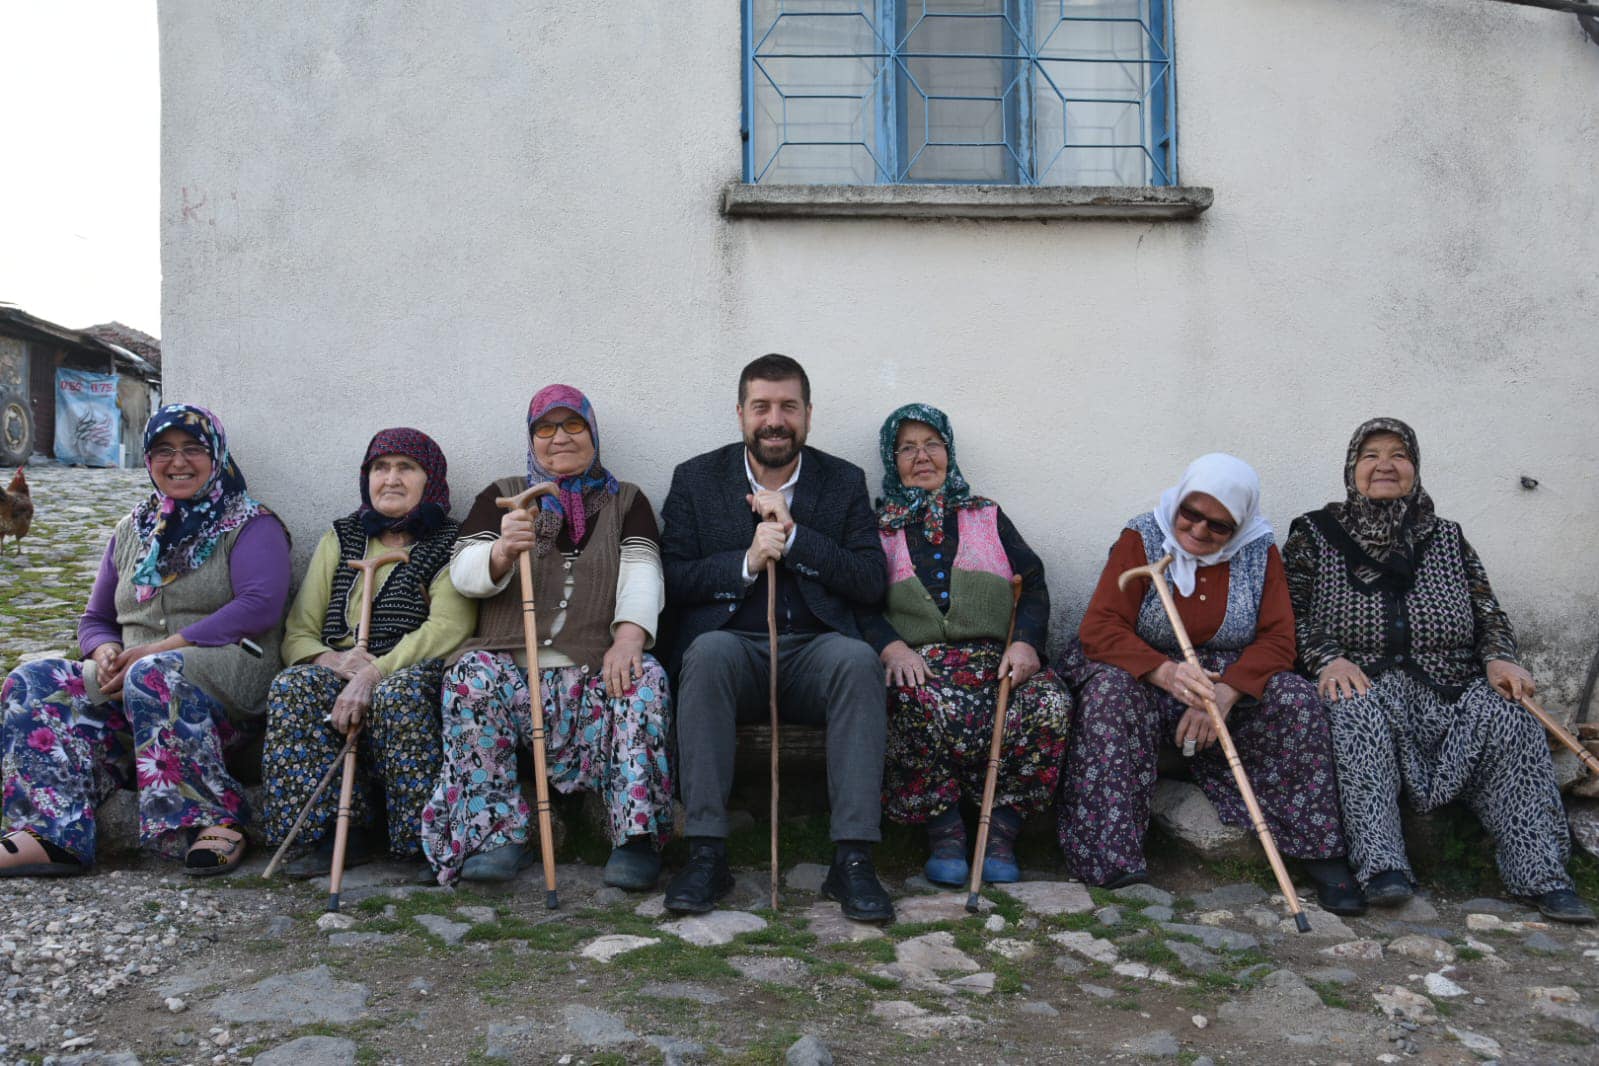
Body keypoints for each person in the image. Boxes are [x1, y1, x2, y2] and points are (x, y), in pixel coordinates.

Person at [1284, 417, 1593, 924]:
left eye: (1399, 454)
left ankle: (1543, 876)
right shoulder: (1314, 533)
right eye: (1370, 455)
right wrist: (1326, 658)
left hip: (1449, 686)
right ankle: (1381, 867)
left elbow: (1488, 611)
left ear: (1415, 467)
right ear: (1351, 467)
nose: (1385, 465)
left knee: (1512, 716)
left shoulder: (1447, 537)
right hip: (1364, 683)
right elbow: (1290, 613)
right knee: (1352, 712)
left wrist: (1499, 655)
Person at [1058, 453, 1359, 914]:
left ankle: (1319, 852)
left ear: (1237, 527)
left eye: (1218, 527)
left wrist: (1222, 693)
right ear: (1178, 501)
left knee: (1296, 700)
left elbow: (1279, 638)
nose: (1198, 531)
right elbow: (1100, 628)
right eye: (1191, 514)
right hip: (1144, 669)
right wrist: (1168, 673)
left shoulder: (1260, 549)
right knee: (1108, 696)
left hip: (1223, 678)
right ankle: (1110, 855)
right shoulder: (1142, 537)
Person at [0, 404, 290, 877]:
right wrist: (104, 650)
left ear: (215, 455)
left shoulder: (251, 524)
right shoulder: (132, 529)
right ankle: (51, 832)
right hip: (135, 675)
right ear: (148, 459)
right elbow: (96, 618)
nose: (178, 462)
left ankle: (214, 819)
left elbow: (260, 604)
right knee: (32, 679)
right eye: (163, 451)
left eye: (193, 449)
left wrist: (158, 649)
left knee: (151, 674)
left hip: (226, 676)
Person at [661, 353, 893, 922]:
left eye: (788, 406)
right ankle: (707, 852)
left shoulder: (842, 481)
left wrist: (796, 537)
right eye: (761, 406)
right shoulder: (696, 478)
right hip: (734, 648)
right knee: (707, 654)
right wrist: (744, 560)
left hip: (815, 651)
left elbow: (870, 579)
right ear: (741, 413)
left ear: (808, 414)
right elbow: (671, 576)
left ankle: (854, 860)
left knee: (859, 662)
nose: (774, 419)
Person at [420, 385, 672, 889]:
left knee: (645, 679)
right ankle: (497, 836)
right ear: (532, 439)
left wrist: (628, 639)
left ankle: (635, 839)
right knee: (469, 677)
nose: (560, 438)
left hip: (592, 669)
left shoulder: (628, 500)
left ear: (592, 433)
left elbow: (643, 572)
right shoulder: (503, 494)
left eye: (573, 425)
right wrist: (498, 554)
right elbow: (463, 574)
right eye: (546, 428)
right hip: (513, 670)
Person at [861, 403, 1072, 886]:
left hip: (996, 663)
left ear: (949, 452)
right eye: (907, 448)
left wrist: (1025, 645)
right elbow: (859, 605)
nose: (922, 456)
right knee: (903, 696)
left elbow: (1033, 584)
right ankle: (946, 833)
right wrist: (891, 647)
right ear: (891, 460)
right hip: (923, 664)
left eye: (932, 444)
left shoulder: (986, 514)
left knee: (1051, 702)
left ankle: (1000, 832)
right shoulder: (878, 530)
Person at [261, 428, 474, 876]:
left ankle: (420, 838)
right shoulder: (342, 537)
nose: (391, 479)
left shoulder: (453, 542)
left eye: (406, 468)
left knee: (398, 695)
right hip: (343, 661)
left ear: (429, 478)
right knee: (294, 687)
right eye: (380, 468)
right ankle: (334, 834)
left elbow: (449, 628)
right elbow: (299, 631)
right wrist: (334, 662)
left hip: (412, 666)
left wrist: (373, 673)